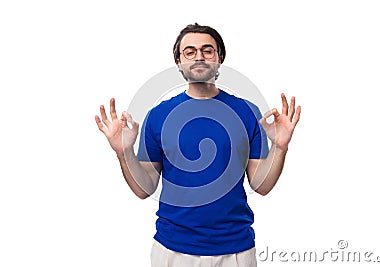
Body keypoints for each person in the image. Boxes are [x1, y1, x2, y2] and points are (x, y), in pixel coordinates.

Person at [95, 23, 301, 267]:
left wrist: (280, 147)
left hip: (235, 250)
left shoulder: (247, 112)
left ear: (219, 58)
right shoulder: (159, 115)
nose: (199, 57)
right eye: (189, 52)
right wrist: (124, 152)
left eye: (207, 50)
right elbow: (144, 188)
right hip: (173, 249)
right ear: (179, 62)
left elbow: (261, 185)